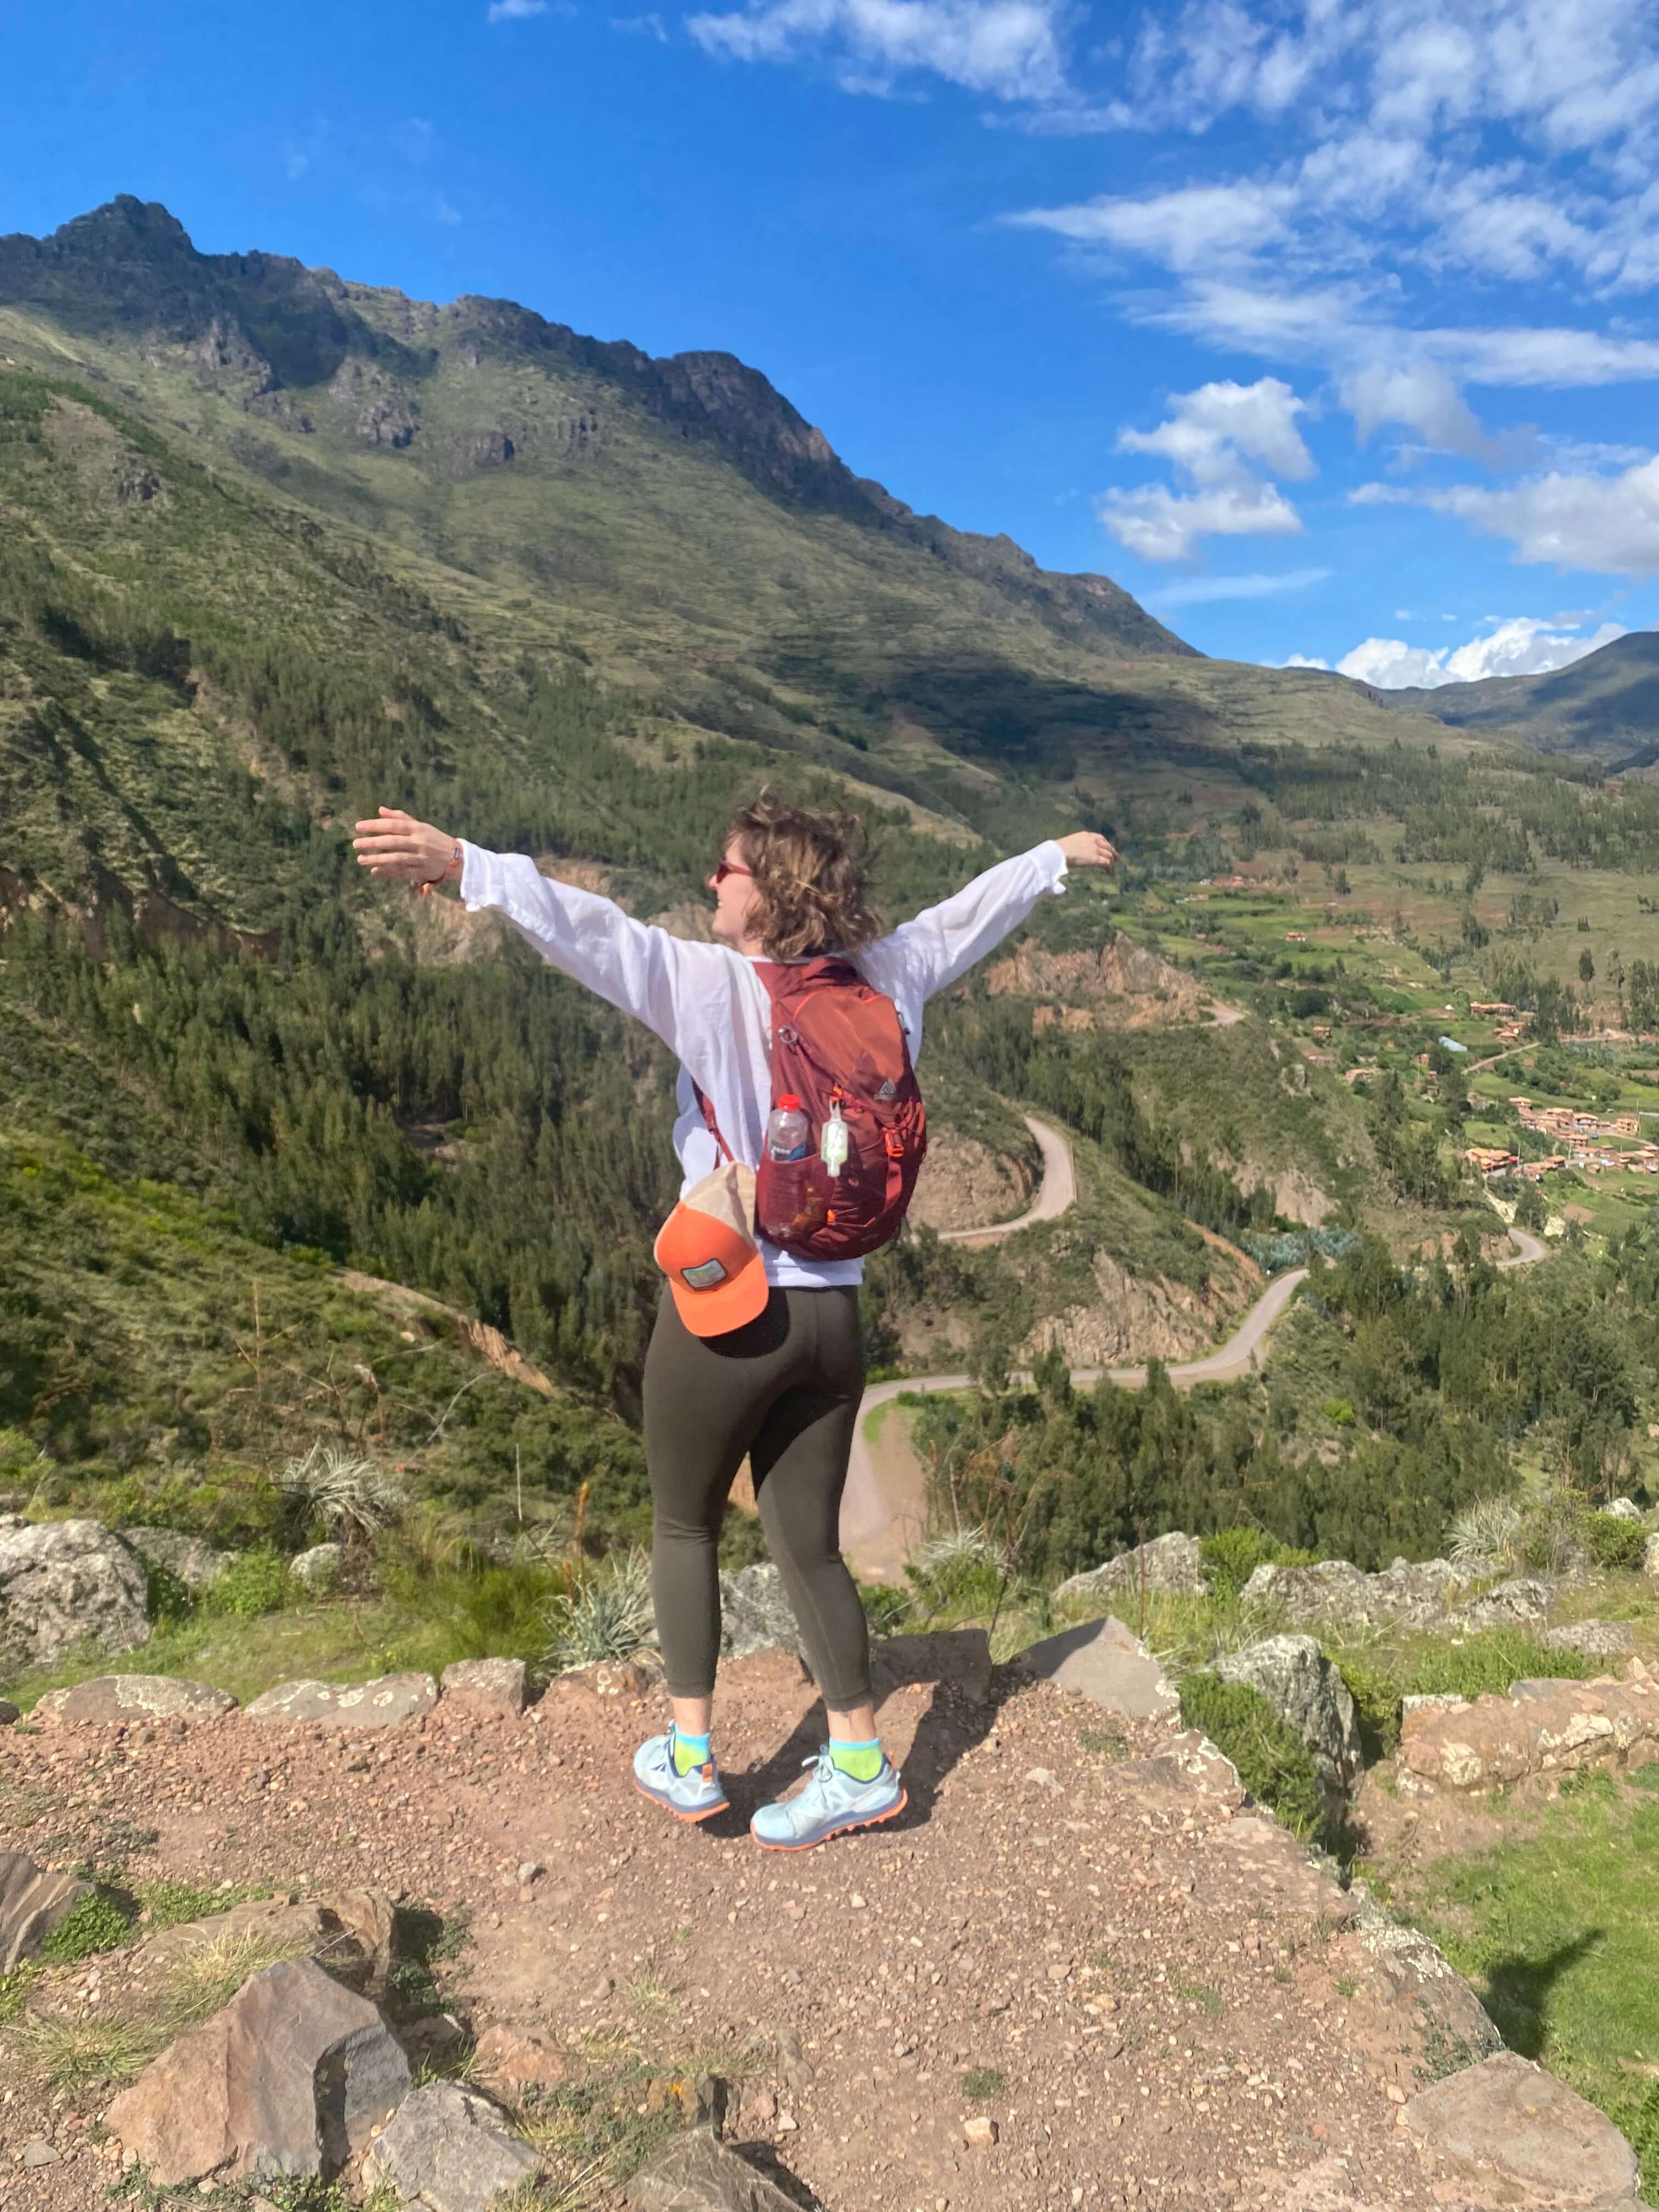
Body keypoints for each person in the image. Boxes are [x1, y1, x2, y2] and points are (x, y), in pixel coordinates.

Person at [353, 793, 1118, 1847]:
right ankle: (859, 1764)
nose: (713, 882)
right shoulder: (886, 979)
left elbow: (588, 932)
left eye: (727, 871)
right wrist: (1050, 857)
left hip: (730, 1312)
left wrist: (464, 865)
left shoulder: (709, 986)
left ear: (769, 894)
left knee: (685, 1525)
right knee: (810, 1549)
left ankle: (691, 1760)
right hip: (837, 1323)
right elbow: (963, 919)